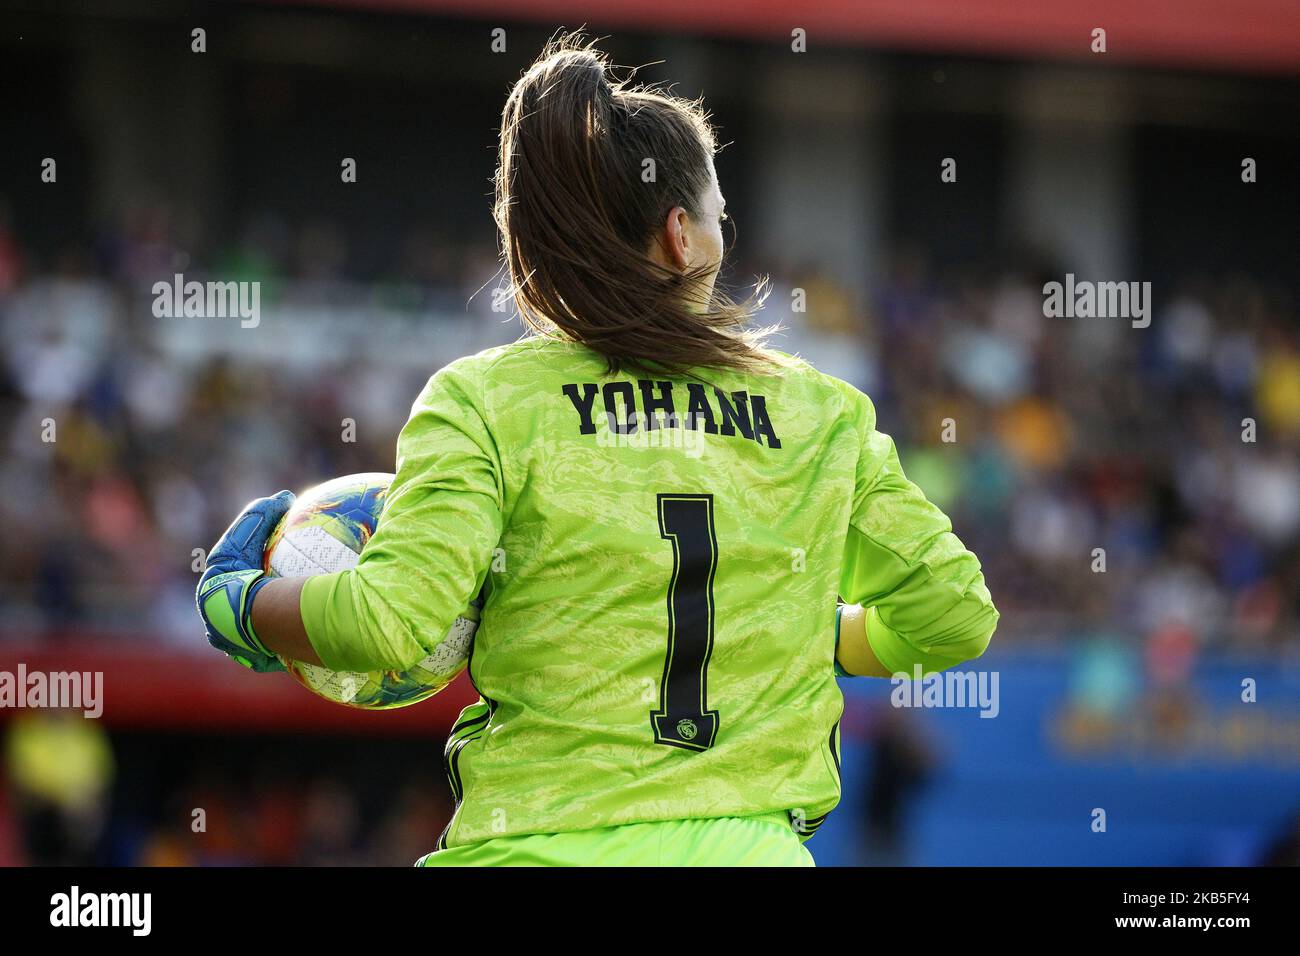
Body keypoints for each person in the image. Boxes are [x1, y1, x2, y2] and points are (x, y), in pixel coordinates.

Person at [196, 35, 998, 867]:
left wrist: (239, 605)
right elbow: (953, 615)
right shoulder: (821, 415)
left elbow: (390, 626)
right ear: (682, 236)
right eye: (722, 214)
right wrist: (810, 632)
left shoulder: (485, 401)